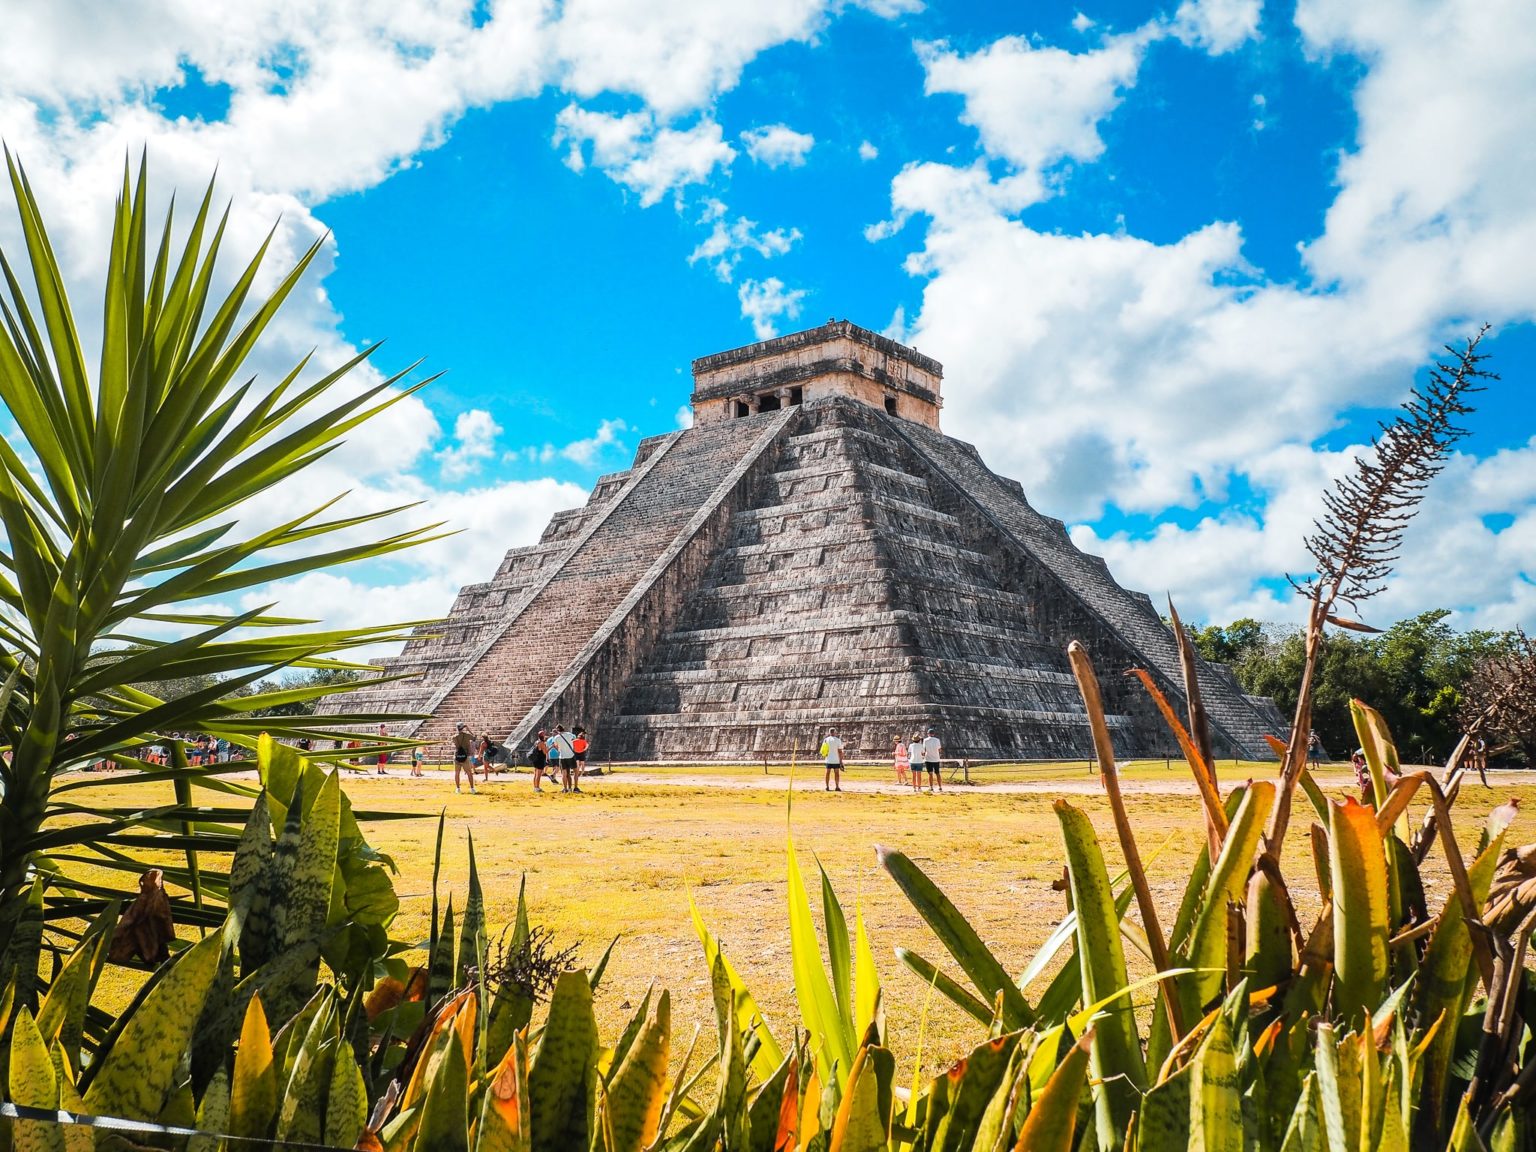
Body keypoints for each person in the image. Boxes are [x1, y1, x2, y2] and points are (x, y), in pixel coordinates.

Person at [550, 723, 578, 793]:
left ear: (557, 731)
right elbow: (574, 739)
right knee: (575, 772)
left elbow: (555, 746)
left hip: (562, 756)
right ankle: (573, 788)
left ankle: (565, 788)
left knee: (564, 773)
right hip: (571, 755)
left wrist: (559, 750)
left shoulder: (556, 737)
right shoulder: (569, 734)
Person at [451, 723, 478, 795]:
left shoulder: (454, 737)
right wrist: (468, 729)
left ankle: (458, 788)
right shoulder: (467, 736)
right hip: (465, 756)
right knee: (469, 773)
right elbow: (474, 738)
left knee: (457, 773)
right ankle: (472, 788)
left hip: (457, 756)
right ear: (463, 728)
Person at [822, 727, 844, 792]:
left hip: (828, 759)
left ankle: (827, 786)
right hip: (836, 760)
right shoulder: (838, 740)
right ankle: (837, 786)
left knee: (827, 773)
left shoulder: (826, 740)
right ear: (834, 732)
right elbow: (840, 751)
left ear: (829, 732)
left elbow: (823, 750)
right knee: (836, 773)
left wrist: (826, 756)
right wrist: (841, 761)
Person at [922, 727, 943, 793]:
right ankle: (940, 787)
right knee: (937, 773)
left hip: (928, 758)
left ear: (928, 734)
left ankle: (931, 787)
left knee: (930, 774)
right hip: (936, 758)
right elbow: (939, 749)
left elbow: (923, 750)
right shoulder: (937, 740)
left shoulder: (925, 740)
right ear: (933, 734)